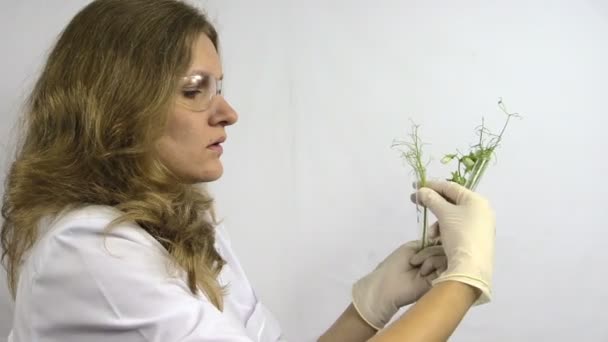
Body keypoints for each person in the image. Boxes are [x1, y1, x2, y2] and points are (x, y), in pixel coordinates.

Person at [0, 1, 495, 341]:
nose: (227, 112)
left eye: (219, 87)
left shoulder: (185, 227)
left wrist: (370, 305)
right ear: (118, 104)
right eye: (195, 89)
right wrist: (465, 278)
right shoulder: (88, 250)